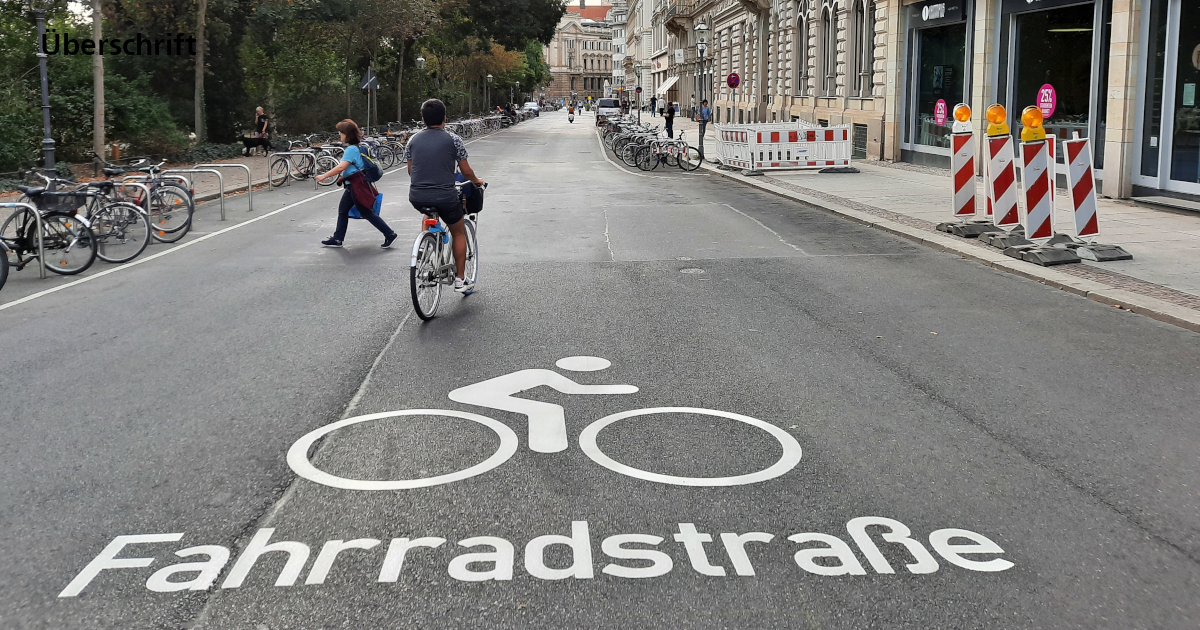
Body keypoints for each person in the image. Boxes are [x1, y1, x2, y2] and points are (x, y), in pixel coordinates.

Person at [404, 99, 486, 293]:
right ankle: (459, 279)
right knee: (458, 231)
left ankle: (427, 241)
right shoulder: (453, 139)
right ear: (445, 119)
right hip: (445, 195)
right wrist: (476, 180)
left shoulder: (412, 140)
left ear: (423, 119)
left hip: (417, 195)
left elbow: (411, 170)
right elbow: (465, 171)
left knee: (429, 211)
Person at [315, 120, 398, 249]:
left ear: (347, 134)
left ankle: (389, 233)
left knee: (366, 212)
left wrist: (323, 176)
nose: (340, 135)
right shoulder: (360, 146)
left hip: (356, 185)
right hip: (353, 184)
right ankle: (337, 238)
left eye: (341, 133)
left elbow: (341, 167)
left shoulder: (351, 150)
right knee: (343, 210)